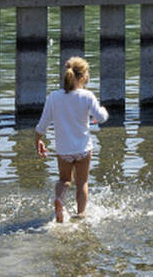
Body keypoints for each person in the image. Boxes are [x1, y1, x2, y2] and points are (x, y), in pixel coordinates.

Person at [34, 56, 109, 222]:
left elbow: (42, 124)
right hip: (83, 149)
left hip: (63, 150)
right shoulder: (87, 96)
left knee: (64, 180)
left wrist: (38, 140)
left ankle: (59, 199)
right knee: (82, 183)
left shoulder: (54, 97)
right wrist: (103, 109)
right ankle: (81, 214)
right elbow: (101, 118)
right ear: (83, 77)